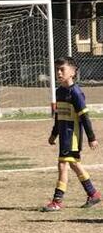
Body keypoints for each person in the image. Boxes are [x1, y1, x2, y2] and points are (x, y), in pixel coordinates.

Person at [41, 56, 100, 211]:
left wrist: (91, 137)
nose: (59, 73)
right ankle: (93, 194)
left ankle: (57, 201)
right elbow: (58, 116)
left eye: (62, 69)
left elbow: (85, 117)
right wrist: (54, 134)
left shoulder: (76, 93)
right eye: (57, 70)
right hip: (64, 136)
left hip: (72, 136)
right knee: (74, 165)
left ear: (73, 72)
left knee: (63, 165)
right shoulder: (59, 92)